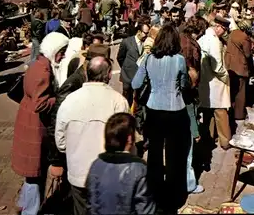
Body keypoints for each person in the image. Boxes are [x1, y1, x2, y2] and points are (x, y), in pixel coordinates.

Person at [56, 56, 130, 215]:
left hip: (78, 175)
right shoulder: (119, 101)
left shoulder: (70, 100)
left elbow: (60, 142)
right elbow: (126, 142)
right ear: (109, 75)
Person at [131, 24, 191, 212]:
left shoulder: (148, 59)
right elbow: (184, 84)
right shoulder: (179, 60)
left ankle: (154, 193)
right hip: (175, 110)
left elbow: (136, 82)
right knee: (175, 154)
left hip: (154, 109)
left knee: (155, 153)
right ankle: (173, 197)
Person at [11, 32, 69, 215]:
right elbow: (40, 104)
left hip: (28, 122)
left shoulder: (37, 64)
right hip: (34, 127)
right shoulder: (43, 71)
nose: (63, 55)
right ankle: (31, 210)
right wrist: (57, 99)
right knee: (35, 174)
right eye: (62, 51)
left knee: (32, 174)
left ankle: (26, 205)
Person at [86, 113, 156, 215]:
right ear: (129, 139)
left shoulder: (96, 165)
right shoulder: (139, 169)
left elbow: (90, 205)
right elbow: (145, 209)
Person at [198, 16, 232, 150]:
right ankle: (225, 141)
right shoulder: (214, 41)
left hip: (206, 81)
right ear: (219, 28)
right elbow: (217, 66)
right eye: (224, 31)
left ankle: (209, 139)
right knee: (221, 112)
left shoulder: (203, 38)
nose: (224, 34)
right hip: (216, 82)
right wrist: (226, 77)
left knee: (208, 113)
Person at [179, 18, 205, 194]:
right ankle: (189, 182)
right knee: (187, 144)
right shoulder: (188, 45)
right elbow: (190, 67)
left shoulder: (180, 38)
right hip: (186, 94)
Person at [225, 19, 254, 132]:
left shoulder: (233, 33)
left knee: (232, 90)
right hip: (240, 67)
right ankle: (239, 114)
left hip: (230, 65)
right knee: (241, 92)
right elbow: (247, 54)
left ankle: (231, 110)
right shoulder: (245, 37)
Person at [117, 20, 151, 106]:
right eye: (145, 33)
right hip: (128, 75)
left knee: (139, 100)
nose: (147, 36)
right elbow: (120, 57)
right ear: (139, 32)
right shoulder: (126, 42)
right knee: (126, 98)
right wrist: (126, 67)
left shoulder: (147, 43)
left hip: (141, 76)